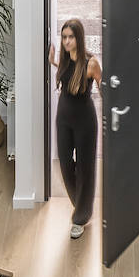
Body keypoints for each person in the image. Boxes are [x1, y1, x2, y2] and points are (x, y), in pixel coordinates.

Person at [48, 19, 102, 239]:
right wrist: (52, 61)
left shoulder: (91, 63)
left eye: (71, 37)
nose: (67, 41)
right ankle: (82, 204)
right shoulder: (63, 60)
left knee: (86, 169)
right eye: (64, 37)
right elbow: (64, 72)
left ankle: (80, 217)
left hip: (85, 122)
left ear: (78, 38)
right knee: (66, 164)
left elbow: (104, 85)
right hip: (63, 119)